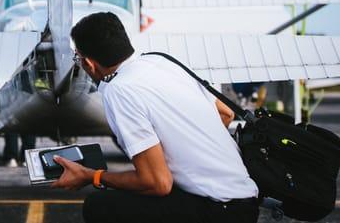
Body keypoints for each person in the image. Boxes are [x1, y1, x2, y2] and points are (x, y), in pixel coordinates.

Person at [52, 12, 259, 223]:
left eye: (77, 58)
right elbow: (226, 113)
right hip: (245, 200)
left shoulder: (119, 89)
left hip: (219, 211)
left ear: (89, 63)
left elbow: (157, 183)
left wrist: (91, 176)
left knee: (99, 206)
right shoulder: (162, 61)